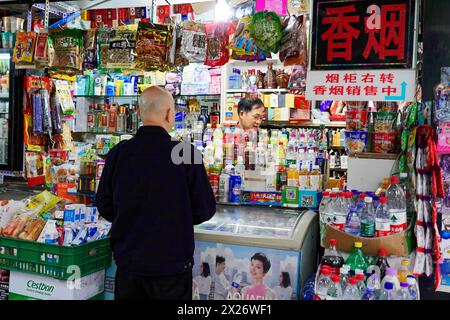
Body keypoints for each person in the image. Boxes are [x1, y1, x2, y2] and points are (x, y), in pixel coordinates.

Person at [96, 86, 216, 300]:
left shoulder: (120, 152)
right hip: (172, 267)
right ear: (169, 114)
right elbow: (204, 210)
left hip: (129, 265)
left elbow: (104, 205)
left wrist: (132, 219)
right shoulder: (185, 152)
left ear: (140, 112)